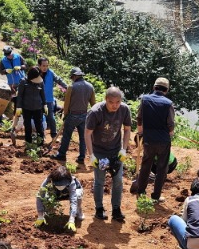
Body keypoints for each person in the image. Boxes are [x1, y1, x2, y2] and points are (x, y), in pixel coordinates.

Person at [84, 87, 131, 222]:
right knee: (100, 181)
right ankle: (99, 209)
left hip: (116, 152)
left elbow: (127, 129)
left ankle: (116, 209)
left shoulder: (124, 110)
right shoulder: (96, 112)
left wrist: (124, 149)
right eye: (111, 102)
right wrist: (91, 155)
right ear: (106, 100)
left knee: (118, 181)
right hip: (100, 153)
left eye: (118, 102)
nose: (115, 105)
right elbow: (87, 134)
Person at [135, 77, 175, 203]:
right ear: (166, 90)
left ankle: (141, 192)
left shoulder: (145, 99)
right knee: (162, 168)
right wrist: (170, 134)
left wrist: (140, 133)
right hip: (163, 141)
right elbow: (171, 124)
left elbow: (139, 118)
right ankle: (156, 196)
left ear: (154, 87)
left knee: (146, 165)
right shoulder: (168, 103)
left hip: (148, 139)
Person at [51, 67, 96, 164]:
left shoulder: (71, 87)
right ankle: (81, 157)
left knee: (66, 136)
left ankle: (62, 154)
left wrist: (65, 115)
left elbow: (66, 103)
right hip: (84, 115)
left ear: (74, 76)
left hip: (72, 115)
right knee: (83, 138)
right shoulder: (90, 86)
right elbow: (93, 104)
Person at [34, 165, 85, 232]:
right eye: (58, 185)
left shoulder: (71, 181)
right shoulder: (49, 179)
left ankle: (78, 211)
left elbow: (73, 199)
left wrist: (71, 219)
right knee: (46, 197)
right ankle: (50, 212)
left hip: (69, 193)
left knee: (77, 195)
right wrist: (40, 215)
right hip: (55, 194)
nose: (60, 186)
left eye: (62, 185)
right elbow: (40, 196)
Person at [38, 58, 67, 141]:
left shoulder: (50, 73)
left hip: (48, 100)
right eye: (43, 66)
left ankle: (53, 135)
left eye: (47, 65)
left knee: (51, 117)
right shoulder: (36, 73)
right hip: (38, 100)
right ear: (39, 65)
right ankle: (40, 136)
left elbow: (59, 80)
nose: (45, 67)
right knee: (39, 117)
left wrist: (67, 87)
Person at [15, 67, 47, 145]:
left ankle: (40, 143)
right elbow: (20, 96)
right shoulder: (23, 82)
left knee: (39, 126)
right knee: (28, 126)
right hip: (26, 108)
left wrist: (45, 104)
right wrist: (18, 107)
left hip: (38, 107)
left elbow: (42, 94)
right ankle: (28, 143)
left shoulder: (40, 82)